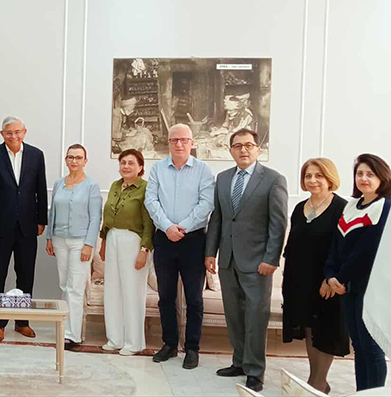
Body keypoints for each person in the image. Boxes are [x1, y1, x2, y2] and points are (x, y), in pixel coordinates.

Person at [205, 129, 288, 392]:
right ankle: (239, 362)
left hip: (258, 263)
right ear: (230, 150)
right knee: (234, 316)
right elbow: (217, 218)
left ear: (257, 149)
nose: (243, 150)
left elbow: (278, 223)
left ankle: (255, 370)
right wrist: (210, 252)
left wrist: (271, 258)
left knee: (255, 318)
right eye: (237, 145)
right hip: (227, 260)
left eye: (249, 145)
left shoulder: (273, 179)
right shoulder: (223, 178)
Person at [144, 124, 215, 369]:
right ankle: (170, 344)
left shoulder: (203, 170)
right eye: (174, 140)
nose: (179, 144)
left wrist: (182, 227)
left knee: (194, 299)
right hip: (164, 239)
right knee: (166, 297)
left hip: (193, 241)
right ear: (168, 143)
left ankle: (192, 348)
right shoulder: (157, 168)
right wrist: (167, 227)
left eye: (184, 140)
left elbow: (206, 203)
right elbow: (151, 200)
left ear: (192, 143)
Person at [325, 154, 391, 391]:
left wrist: (340, 277)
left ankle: (374, 394)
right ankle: (362, 393)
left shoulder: (386, 207)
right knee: (359, 346)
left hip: (370, 289)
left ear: (382, 177)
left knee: (371, 347)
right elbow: (336, 245)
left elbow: (367, 251)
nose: (364, 178)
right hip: (347, 288)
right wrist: (330, 274)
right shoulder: (351, 205)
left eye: (370, 174)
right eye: (360, 174)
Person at [282, 158, 349, 393]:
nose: (313, 180)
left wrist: (331, 279)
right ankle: (315, 378)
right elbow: (293, 245)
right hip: (300, 280)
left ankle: (318, 384)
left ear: (330, 178)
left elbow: (345, 248)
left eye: (319, 175)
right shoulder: (300, 208)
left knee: (326, 329)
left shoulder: (343, 208)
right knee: (310, 328)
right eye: (308, 176)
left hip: (327, 281)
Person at [0, 116, 48, 341]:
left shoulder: (36, 155)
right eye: (9, 132)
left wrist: (41, 220)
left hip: (27, 227)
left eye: (18, 132)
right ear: (2, 134)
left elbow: (40, 189)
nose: (14, 136)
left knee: (26, 276)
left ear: (24, 132)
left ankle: (22, 321)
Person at [45, 144, 102, 350]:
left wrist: (89, 244)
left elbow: (95, 218)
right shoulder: (59, 184)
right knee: (64, 286)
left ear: (85, 161)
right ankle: (64, 330)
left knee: (75, 288)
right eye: (70, 157)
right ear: (66, 160)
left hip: (80, 242)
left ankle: (73, 335)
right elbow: (52, 213)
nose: (74, 161)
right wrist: (49, 238)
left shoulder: (91, 186)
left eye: (78, 157)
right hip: (59, 240)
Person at [99, 149, 154, 356]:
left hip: (134, 242)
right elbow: (107, 218)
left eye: (131, 163)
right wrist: (103, 243)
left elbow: (149, 223)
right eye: (123, 162)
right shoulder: (115, 185)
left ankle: (134, 342)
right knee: (112, 290)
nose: (126, 166)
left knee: (132, 292)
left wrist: (144, 250)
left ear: (140, 167)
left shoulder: (146, 188)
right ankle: (115, 338)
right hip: (112, 238)